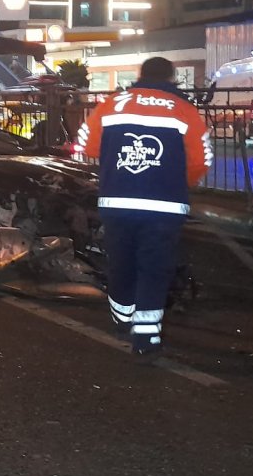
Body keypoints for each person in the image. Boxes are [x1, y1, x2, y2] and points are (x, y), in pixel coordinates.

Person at [76, 57, 212, 362]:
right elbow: (201, 159)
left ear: (141, 75)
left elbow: (85, 143)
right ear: (172, 78)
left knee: (121, 262)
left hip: (117, 202)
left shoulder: (114, 103)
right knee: (154, 267)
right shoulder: (184, 109)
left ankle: (122, 317)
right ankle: (146, 337)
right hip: (164, 206)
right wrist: (179, 182)